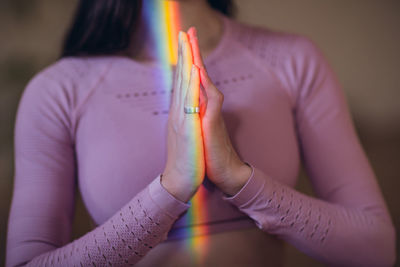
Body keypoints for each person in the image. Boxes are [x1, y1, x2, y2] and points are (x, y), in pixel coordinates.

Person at [6, 0, 396, 266]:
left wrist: (239, 178)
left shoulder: (293, 59)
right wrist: (171, 188)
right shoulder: (59, 90)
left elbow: (377, 248)